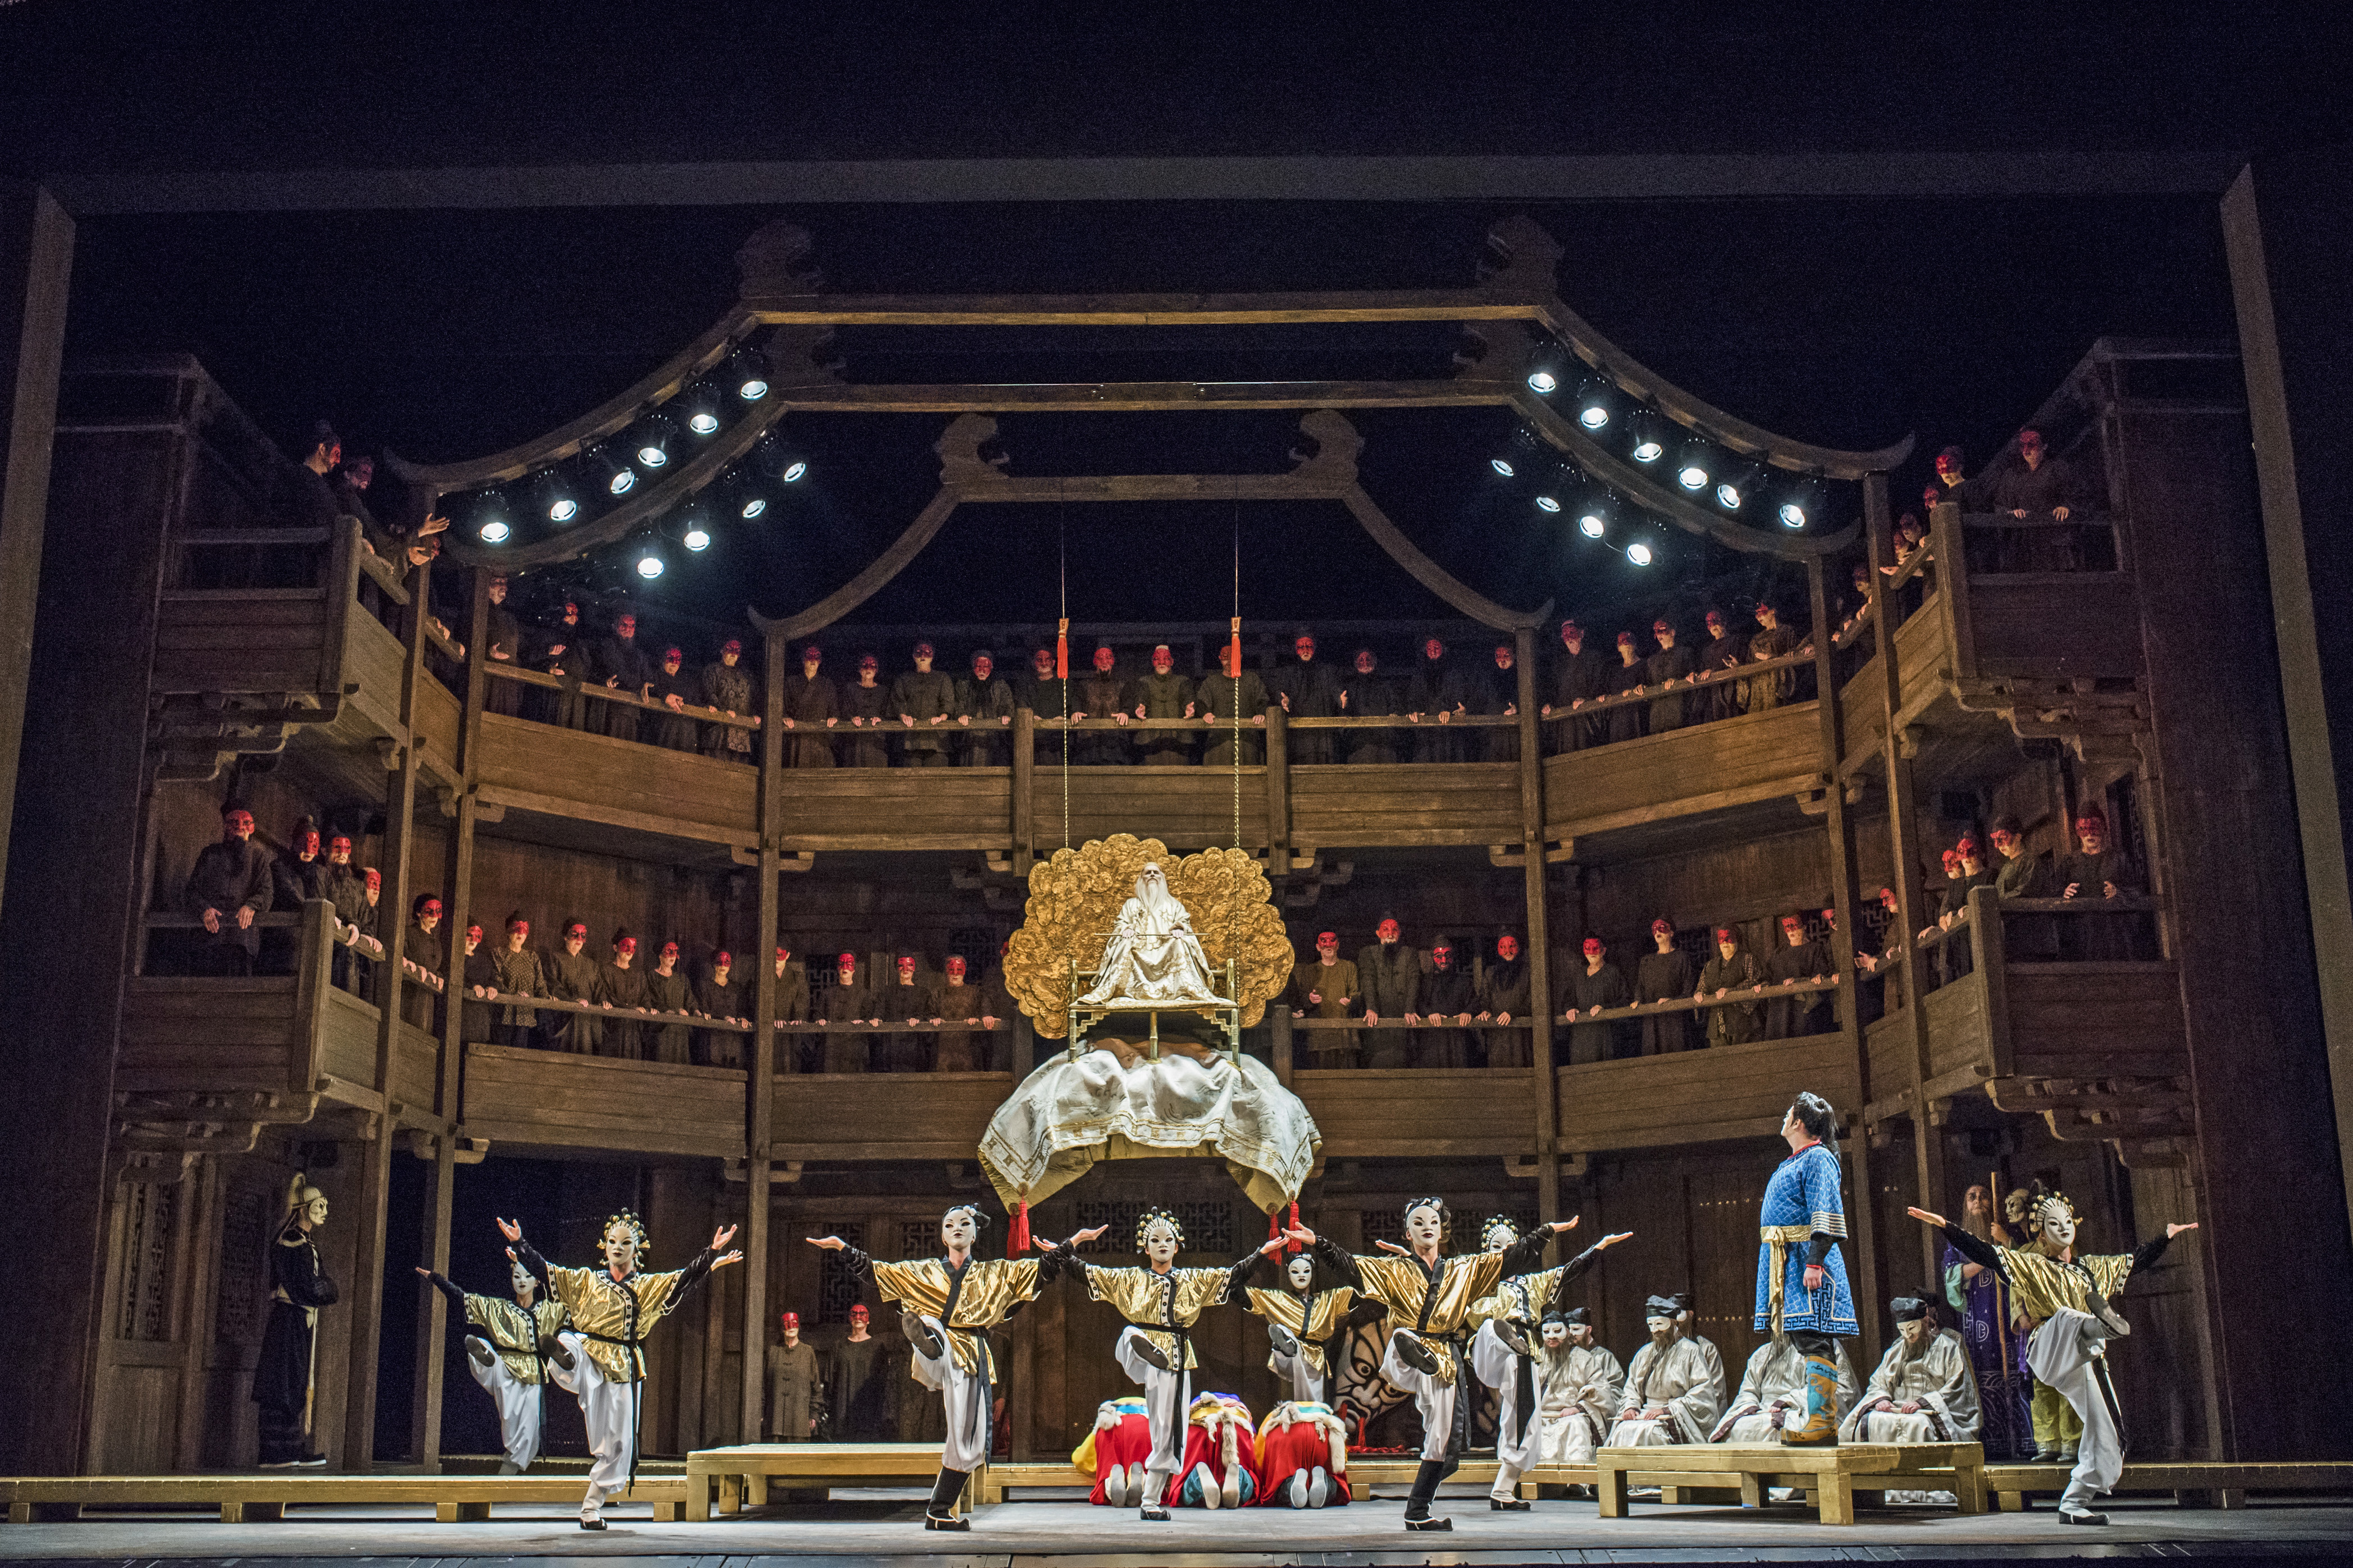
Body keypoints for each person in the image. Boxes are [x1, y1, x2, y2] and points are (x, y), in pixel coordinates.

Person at [1279, 1202, 1580, 1530]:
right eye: (1418, 1222)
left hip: (1443, 1361)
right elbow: (1353, 1267)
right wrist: (1318, 1243)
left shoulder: (1461, 1270)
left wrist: (1546, 1232)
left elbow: (1508, 1261)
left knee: (1442, 1439)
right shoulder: (1396, 1270)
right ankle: (1408, 1350)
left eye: (1433, 1222)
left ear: (1441, 1230)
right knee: (1402, 1340)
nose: (1427, 1227)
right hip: (1412, 1347)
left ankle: (1418, 1511)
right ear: (1408, 1233)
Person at [1910, 1187, 2195, 1525]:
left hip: (2082, 1358)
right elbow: (1986, 1253)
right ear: (2042, 1235)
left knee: (2112, 1435)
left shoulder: (2091, 1269)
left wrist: (2166, 1236)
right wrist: (1945, 1225)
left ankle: (2074, 1503)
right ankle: (2102, 1325)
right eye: (2052, 1224)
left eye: (2066, 1222)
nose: (2061, 1228)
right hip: (2048, 1345)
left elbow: (2136, 1260)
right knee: (2067, 1317)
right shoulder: (2034, 1265)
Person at [808, 1205, 1082, 1530]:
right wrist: (843, 1247)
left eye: (965, 1223)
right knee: (929, 1324)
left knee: (970, 1446)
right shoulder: (924, 1272)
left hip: (973, 1356)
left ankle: (938, 1510)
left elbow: (1040, 1272)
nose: (957, 1228)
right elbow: (878, 1271)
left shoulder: (992, 1273)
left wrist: (1072, 1243)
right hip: (940, 1347)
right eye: (950, 1224)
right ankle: (928, 1340)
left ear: (975, 1233)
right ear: (942, 1234)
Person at [503, 1210, 741, 1529]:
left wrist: (711, 1253)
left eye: (626, 1242)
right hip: (588, 1350)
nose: (618, 1247)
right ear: (605, 1246)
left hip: (621, 1366)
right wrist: (521, 1246)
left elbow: (682, 1280)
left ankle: (590, 1508)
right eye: (613, 1241)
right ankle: (564, 1358)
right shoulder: (587, 1280)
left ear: (637, 1248)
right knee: (569, 1342)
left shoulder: (644, 1286)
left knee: (618, 1446)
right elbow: (545, 1272)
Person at [1046, 1210, 1283, 1520]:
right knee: (1130, 1333)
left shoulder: (1192, 1281)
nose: (1162, 1245)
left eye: (1168, 1240)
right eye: (1154, 1240)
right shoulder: (1132, 1278)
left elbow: (1232, 1274)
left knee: (1168, 1432)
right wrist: (1063, 1251)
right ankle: (1136, 1345)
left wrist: (1261, 1254)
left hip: (1177, 1357)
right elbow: (1090, 1273)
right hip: (1147, 1351)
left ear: (1177, 1247)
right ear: (1146, 1249)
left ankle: (1150, 1502)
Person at [1469, 1217, 1632, 1508]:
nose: (1505, 1252)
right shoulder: (1478, 1281)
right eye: (1497, 1247)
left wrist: (1598, 1248)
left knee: (1524, 1425)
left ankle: (1503, 1492)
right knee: (1490, 1329)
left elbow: (1567, 1272)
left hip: (1523, 1355)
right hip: (1489, 1351)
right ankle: (1501, 1333)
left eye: (1511, 1246)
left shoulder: (1532, 1283)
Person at [1755, 1092, 1859, 1444]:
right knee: (1804, 1337)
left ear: (1799, 1122)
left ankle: (1822, 1422)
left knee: (1813, 1337)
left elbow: (1825, 1212)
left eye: (1788, 1114)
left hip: (1806, 1261)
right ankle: (1818, 1420)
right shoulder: (1793, 1162)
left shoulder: (1818, 1158)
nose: (1784, 1118)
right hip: (1786, 1259)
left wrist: (1814, 1262)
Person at [415, 1257, 572, 1473]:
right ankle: (483, 1355)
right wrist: (437, 1279)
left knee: (526, 1430)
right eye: (517, 1276)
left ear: (537, 1281)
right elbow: (463, 1298)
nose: (522, 1281)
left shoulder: (551, 1310)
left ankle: (564, 1351)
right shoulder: (500, 1308)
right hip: (504, 1369)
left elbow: (578, 1308)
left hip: (534, 1372)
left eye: (527, 1276)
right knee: (484, 1348)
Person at [252, 1176, 337, 1467]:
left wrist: (322, 1290)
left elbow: (327, 1288)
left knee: (297, 1382)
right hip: (288, 1321)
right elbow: (310, 1288)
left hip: (301, 1321)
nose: (324, 1211)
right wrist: (320, 1290)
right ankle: (275, 1451)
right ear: (303, 1209)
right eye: (318, 1205)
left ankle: (292, 1447)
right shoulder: (289, 1244)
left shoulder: (306, 1245)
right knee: (282, 1383)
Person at [1945, 1183, 2033, 1459]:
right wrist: (1989, 1258)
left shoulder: (2009, 1234)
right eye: (1972, 1197)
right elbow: (1952, 1278)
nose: (1978, 1201)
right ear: (1965, 1204)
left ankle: (2028, 1444)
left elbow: (2030, 1263)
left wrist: (2005, 1242)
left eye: (1984, 1196)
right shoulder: (1958, 1239)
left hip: (2011, 1318)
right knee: (1985, 1382)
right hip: (1979, 1322)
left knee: (2019, 1377)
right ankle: (1994, 1448)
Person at [1237, 1243, 1379, 1406]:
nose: (1301, 1275)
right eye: (1295, 1272)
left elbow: (1362, 1288)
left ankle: (1289, 1346)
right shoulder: (1276, 1299)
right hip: (1287, 1360)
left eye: (1306, 1271)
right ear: (1289, 1275)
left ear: (1312, 1273)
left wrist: (1374, 1269)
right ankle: (1285, 1345)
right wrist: (1261, 1253)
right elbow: (1236, 1290)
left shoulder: (1329, 1300)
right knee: (1284, 1333)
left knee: (1314, 1406)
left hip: (1315, 1358)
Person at [1841, 1297, 1980, 1448]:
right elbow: (1878, 1383)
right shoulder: (1894, 1352)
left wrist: (1922, 1403)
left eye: (1913, 1328)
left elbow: (1956, 1387)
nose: (1908, 1336)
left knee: (1918, 1424)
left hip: (1931, 1412)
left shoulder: (1948, 1348)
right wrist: (1882, 1400)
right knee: (1871, 1421)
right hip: (1896, 1409)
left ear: (1925, 1323)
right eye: (1902, 1330)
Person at [1079, 863, 1220, 1005]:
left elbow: (1184, 923)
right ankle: (1123, 991)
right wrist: (1126, 929)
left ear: (1162, 878)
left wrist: (1180, 929)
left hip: (1167, 951)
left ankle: (1183, 990)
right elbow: (1121, 924)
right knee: (1125, 942)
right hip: (1138, 950)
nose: (1152, 875)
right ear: (1141, 879)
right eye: (1148, 873)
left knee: (1180, 942)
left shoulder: (1174, 905)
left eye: (1156, 872)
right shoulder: (1131, 904)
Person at [1605, 1293, 1725, 1447]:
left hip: (1677, 1413)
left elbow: (1702, 1391)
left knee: (1651, 1432)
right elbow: (1632, 1388)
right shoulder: (1644, 1353)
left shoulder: (1692, 1351)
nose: (1655, 1331)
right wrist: (1631, 1407)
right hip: (1646, 1412)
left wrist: (1668, 1410)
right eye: (1651, 1325)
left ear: (1673, 1322)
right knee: (1624, 1431)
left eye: (1660, 1324)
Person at [1711, 1333, 1860, 1442]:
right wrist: (1750, 1408)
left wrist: (1789, 1401)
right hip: (1762, 1411)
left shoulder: (1823, 1347)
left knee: (1774, 1427)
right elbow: (1748, 1392)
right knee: (1741, 1426)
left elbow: (1840, 1390)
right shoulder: (1762, 1354)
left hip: (1799, 1411)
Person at [1527, 1308, 1623, 1476]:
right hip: (1541, 1416)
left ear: (1567, 1333)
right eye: (1547, 1332)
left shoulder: (1585, 1359)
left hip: (1571, 1415)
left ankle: (1577, 1479)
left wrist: (1578, 1408)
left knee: (1576, 1425)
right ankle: (1533, 1478)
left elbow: (1601, 1390)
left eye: (1557, 1332)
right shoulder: (1537, 1358)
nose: (1552, 1337)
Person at [188, 804, 274, 976]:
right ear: (226, 826)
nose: (240, 827)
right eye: (234, 822)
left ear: (252, 828)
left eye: (246, 823)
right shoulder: (211, 854)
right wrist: (204, 909)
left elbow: (266, 892)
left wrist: (251, 906)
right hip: (210, 937)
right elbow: (192, 890)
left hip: (241, 940)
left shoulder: (258, 856)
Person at [2059, 806, 2145, 959]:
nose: (2090, 834)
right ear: (2078, 832)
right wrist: (2063, 893)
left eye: (2095, 828)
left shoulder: (2119, 858)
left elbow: (2137, 889)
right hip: (2082, 934)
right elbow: (2053, 889)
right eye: (2084, 829)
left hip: (2115, 934)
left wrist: (2119, 892)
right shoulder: (2069, 862)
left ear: (2104, 829)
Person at [1255, 1399, 1351, 1508]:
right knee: (1336, 1483)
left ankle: (1291, 1486)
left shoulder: (1275, 1415)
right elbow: (1342, 1457)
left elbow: (1259, 1453)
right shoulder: (1329, 1415)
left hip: (1286, 1432)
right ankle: (1325, 1483)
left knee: (1277, 1486)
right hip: (1321, 1432)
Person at [1357, 917, 1419, 1070]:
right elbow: (1368, 979)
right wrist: (1371, 1008)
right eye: (1386, 929)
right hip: (1378, 1020)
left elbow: (1414, 980)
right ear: (1378, 933)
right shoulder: (1369, 953)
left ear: (1400, 934)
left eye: (1395, 929)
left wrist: (1409, 1009)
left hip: (1402, 1019)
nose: (1390, 933)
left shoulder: (1409, 954)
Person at [1542, 618, 1612, 752]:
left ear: (1581, 634)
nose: (1569, 638)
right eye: (1565, 634)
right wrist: (1549, 704)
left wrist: (1586, 699)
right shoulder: (1560, 664)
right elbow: (1553, 689)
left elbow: (1600, 682)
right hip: (1566, 721)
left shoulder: (1594, 658)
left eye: (1572, 633)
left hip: (1586, 718)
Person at [1291, 931, 1358, 1068]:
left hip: (1343, 1032)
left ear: (1338, 945)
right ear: (1318, 946)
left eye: (1332, 941)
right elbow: (1302, 997)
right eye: (1324, 941)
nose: (1328, 944)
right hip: (1319, 1034)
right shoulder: (1310, 970)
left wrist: (1351, 1001)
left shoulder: (1349, 967)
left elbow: (1356, 993)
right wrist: (1310, 999)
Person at [826, 1303, 892, 1439]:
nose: (858, 1317)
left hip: (869, 1413)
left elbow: (883, 1383)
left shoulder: (878, 1347)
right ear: (850, 1318)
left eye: (862, 1314)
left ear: (868, 1319)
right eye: (854, 1314)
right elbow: (830, 1380)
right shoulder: (839, 1346)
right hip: (842, 1411)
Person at [1196, 644, 1269, 767]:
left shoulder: (1252, 680)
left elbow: (1263, 700)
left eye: (1233, 658)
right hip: (1219, 743)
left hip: (1247, 742)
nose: (1229, 662)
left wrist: (1261, 713)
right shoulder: (1211, 682)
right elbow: (1201, 702)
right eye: (1225, 658)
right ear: (1220, 658)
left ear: (1240, 657)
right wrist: (1205, 713)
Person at [1561, 935, 1630, 1064]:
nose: (1592, 952)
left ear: (1604, 951)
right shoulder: (1579, 975)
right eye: (1588, 948)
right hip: (1581, 1035)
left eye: (1595, 948)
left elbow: (1625, 1000)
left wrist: (1604, 1007)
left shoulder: (1613, 973)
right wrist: (1570, 1009)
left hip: (1605, 1034)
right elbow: (1568, 999)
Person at [1276, 631, 1343, 764]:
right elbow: (1283, 694)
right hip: (1300, 734)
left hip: (1324, 734)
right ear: (1296, 651)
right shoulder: (1290, 673)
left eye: (1309, 646)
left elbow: (1336, 690)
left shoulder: (1327, 671)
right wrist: (1285, 702)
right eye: (1301, 647)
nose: (1305, 650)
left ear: (1315, 649)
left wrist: (1340, 698)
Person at [1762, 914, 1831, 1039]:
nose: (1791, 931)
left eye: (1794, 926)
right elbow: (1768, 974)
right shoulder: (1779, 952)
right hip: (1780, 1007)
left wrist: (1801, 981)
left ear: (1803, 927)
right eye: (1788, 928)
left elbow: (1821, 973)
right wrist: (1764, 984)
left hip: (1801, 1005)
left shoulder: (1814, 949)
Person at [1634, 918, 1695, 1055]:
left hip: (1675, 1020)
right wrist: (1637, 1000)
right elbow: (1640, 986)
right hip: (1652, 1020)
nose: (1658, 931)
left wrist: (1673, 1001)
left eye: (1662, 928)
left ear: (1671, 933)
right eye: (1655, 929)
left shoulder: (1681, 957)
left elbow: (1689, 989)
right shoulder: (1647, 961)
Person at [1695, 925, 1763, 1048]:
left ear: (1737, 940)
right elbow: (1702, 987)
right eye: (1722, 939)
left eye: (1729, 938)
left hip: (1743, 1024)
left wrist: (1731, 991)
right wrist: (1699, 993)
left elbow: (1755, 981)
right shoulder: (1710, 965)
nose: (1725, 942)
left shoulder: (1747, 959)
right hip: (1717, 1025)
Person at [1405, 636, 1471, 762]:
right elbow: (1412, 699)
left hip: (1449, 734)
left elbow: (1459, 698)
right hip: (1426, 734)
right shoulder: (1419, 675)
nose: (1433, 651)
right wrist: (1414, 711)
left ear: (1443, 650)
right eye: (1429, 648)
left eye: (1436, 648)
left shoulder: (1453, 673)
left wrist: (1450, 710)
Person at [541, 920, 603, 1054]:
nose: (579, 939)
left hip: (586, 1021)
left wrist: (604, 1002)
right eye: (575, 934)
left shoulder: (591, 965)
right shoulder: (555, 959)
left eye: (583, 935)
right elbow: (552, 985)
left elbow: (599, 991)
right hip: (565, 1020)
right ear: (566, 937)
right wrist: (572, 1001)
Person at [892, 641, 957, 767]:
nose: (923, 656)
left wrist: (942, 717)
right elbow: (898, 701)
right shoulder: (904, 679)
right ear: (913, 656)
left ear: (933, 656)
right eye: (919, 652)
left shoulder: (942, 678)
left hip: (936, 740)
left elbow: (948, 701)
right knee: (911, 780)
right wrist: (903, 716)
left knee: (936, 781)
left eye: (927, 653)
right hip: (910, 740)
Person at [1418, 934, 1478, 1068]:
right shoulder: (1425, 981)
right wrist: (1429, 1013)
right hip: (1433, 1038)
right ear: (1433, 958)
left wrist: (1468, 1012)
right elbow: (1419, 1003)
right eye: (1439, 956)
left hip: (1458, 1038)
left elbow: (1475, 1001)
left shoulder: (1464, 981)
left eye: (1448, 955)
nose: (1444, 960)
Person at [1130, 644, 1196, 765]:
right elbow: (1141, 698)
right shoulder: (1144, 682)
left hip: (1178, 739)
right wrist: (1141, 708)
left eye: (1165, 659)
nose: (1162, 663)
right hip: (1151, 739)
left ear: (1172, 662)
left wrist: (1189, 708)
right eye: (1157, 659)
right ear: (1153, 662)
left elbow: (1188, 697)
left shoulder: (1183, 681)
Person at [595, 612, 654, 743]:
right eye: (624, 625)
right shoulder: (608, 645)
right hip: (610, 709)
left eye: (632, 626)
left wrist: (645, 685)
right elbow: (618, 671)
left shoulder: (639, 655)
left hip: (632, 711)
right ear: (615, 626)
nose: (628, 629)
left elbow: (650, 679)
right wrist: (640, 685)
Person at [779, 643, 840, 767]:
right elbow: (782, 707)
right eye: (809, 657)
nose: (813, 661)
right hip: (797, 739)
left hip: (819, 738)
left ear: (820, 662)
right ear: (803, 660)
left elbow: (835, 711)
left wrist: (834, 717)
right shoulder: (791, 683)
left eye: (816, 658)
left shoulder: (827, 685)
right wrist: (785, 717)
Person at [931, 955, 995, 1072]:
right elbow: (930, 1013)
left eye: (959, 970)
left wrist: (979, 1018)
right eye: (952, 970)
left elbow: (984, 1007)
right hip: (944, 1050)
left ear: (964, 971)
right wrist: (934, 1020)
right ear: (946, 971)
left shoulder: (975, 992)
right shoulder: (938, 993)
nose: (955, 974)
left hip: (968, 1049)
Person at [1475, 934, 1531, 1068]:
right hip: (1497, 1034)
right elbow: (1484, 998)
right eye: (1503, 947)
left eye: (1512, 946)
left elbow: (1532, 1000)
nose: (1508, 951)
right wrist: (1485, 1011)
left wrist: (1513, 1013)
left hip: (1521, 1035)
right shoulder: (1490, 973)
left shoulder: (1528, 972)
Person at [595, 930, 651, 1060]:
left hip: (633, 1031)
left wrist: (648, 1009)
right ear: (615, 947)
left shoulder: (639, 976)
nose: (630, 951)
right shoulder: (606, 971)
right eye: (626, 946)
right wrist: (630, 1009)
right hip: (613, 1029)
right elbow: (607, 996)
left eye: (633, 947)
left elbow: (645, 999)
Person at [492, 913, 543, 1050]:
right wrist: (511, 996)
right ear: (508, 932)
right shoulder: (499, 953)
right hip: (504, 1014)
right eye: (516, 928)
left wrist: (547, 998)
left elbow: (540, 985)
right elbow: (496, 979)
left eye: (524, 929)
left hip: (525, 1015)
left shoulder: (532, 957)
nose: (520, 933)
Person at [816, 951, 874, 1073]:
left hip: (854, 1046)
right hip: (831, 1048)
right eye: (842, 964)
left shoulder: (864, 994)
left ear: (854, 969)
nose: (845, 968)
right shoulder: (827, 994)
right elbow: (818, 1014)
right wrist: (820, 1020)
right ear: (838, 968)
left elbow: (869, 1016)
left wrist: (863, 1022)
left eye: (849, 964)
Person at [955, 650, 1016, 766]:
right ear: (973, 667)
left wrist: (1007, 715)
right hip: (972, 739)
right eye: (978, 666)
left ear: (991, 667)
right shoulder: (964, 685)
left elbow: (1008, 704)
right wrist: (961, 714)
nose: (982, 670)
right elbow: (959, 704)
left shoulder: (1000, 686)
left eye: (986, 666)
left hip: (995, 738)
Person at [768, 1310, 821, 1441]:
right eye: (787, 1323)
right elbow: (765, 1385)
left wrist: (814, 1414)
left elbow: (816, 1387)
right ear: (782, 1327)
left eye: (794, 1323)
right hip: (776, 1421)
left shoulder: (808, 1352)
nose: (791, 1327)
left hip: (800, 1421)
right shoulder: (773, 1352)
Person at [701, 638, 755, 762]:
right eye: (730, 649)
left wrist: (754, 714)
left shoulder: (746, 675)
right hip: (719, 732)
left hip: (740, 735)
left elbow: (753, 698)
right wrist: (723, 710)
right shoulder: (712, 670)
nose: (733, 653)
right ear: (722, 650)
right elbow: (709, 692)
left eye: (737, 651)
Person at [1075, 644, 1131, 765]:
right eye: (1100, 658)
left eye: (1108, 658)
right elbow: (1077, 703)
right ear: (1095, 661)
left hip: (1115, 743)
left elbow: (1128, 704)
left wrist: (1125, 713)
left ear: (1113, 661)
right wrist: (1075, 712)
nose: (1104, 662)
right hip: (1089, 744)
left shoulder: (1122, 685)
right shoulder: (1084, 685)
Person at [1339, 648, 1397, 763]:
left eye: (1368, 659)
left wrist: (1394, 717)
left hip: (1384, 744)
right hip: (1359, 745)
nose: (1365, 663)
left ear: (1375, 662)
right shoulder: (1350, 688)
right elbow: (1344, 714)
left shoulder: (1385, 686)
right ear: (1356, 664)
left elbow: (1394, 707)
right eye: (1361, 660)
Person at [693, 949, 747, 1068]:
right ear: (713, 964)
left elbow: (742, 1009)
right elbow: (704, 1009)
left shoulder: (737, 988)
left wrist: (743, 1018)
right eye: (719, 962)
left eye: (727, 962)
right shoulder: (705, 986)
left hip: (733, 1040)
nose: (723, 965)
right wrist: (723, 1017)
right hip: (713, 1040)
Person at [1745, 603, 1802, 712]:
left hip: (1778, 685)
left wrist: (1773, 658)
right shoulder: (1756, 640)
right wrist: (1737, 666)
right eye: (1756, 614)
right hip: (1760, 689)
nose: (1758, 617)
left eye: (1761, 612)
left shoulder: (1786, 631)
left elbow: (1793, 656)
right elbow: (1749, 664)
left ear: (1773, 611)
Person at [1644, 618, 1698, 733]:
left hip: (1679, 713)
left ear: (1672, 632)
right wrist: (1642, 687)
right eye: (1657, 632)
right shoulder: (1652, 661)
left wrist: (1678, 681)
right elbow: (1649, 684)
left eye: (1662, 631)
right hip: (1658, 717)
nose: (1659, 635)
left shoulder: (1685, 653)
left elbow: (1692, 674)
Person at [644, 940, 693, 1064]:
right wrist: (672, 1011)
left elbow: (690, 1000)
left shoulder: (682, 979)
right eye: (669, 952)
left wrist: (696, 1012)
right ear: (660, 956)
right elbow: (653, 999)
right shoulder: (652, 976)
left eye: (675, 952)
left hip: (680, 1031)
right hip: (662, 1030)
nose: (672, 956)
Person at [401, 893, 445, 1028]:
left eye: (438, 911)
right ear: (419, 912)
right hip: (409, 993)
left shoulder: (436, 943)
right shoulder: (408, 933)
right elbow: (404, 955)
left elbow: (435, 967)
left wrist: (438, 976)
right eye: (429, 911)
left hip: (426, 997)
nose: (434, 916)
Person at [1697, 609, 1748, 722]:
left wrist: (1737, 666)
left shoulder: (1736, 641)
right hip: (1714, 697)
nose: (1713, 625)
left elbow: (1744, 663)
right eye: (1710, 622)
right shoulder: (1707, 651)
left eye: (1716, 621)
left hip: (1734, 692)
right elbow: (1702, 671)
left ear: (1724, 622)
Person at [840, 654, 891, 767]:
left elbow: (888, 712)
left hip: (876, 739)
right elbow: (845, 710)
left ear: (876, 670)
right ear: (859, 669)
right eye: (865, 666)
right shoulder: (851, 688)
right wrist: (852, 718)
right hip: (855, 739)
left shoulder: (883, 691)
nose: (868, 669)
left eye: (872, 666)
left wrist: (880, 719)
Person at [884, 954, 931, 1072]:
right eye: (901, 965)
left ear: (914, 968)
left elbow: (928, 1014)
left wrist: (918, 1020)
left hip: (915, 1047)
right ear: (896, 968)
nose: (906, 969)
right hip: (892, 1048)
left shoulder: (924, 993)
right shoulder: (887, 992)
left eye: (909, 965)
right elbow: (880, 1013)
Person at [273, 816, 330, 910]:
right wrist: (312, 910)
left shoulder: (321, 873)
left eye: (314, 845)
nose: (308, 850)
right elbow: (289, 892)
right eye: (303, 844)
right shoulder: (280, 866)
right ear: (295, 844)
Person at [773, 945, 813, 1069]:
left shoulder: (797, 978)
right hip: (769, 1030)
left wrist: (799, 1017)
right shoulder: (762, 977)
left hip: (791, 1031)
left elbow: (803, 1000)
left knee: (791, 1065)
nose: (777, 958)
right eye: (774, 954)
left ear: (788, 955)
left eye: (781, 955)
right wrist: (771, 1018)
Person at [458, 922, 498, 1044]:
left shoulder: (484, 960)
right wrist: (473, 986)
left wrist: (492, 987)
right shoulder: (455, 958)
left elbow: (493, 978)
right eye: (469, 935)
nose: (473, 940)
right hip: (462, 1013)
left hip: (481, 1016)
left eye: (477, 936)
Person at [1607, 632, 1647, 742]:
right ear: (1618, 648)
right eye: (1622, 643)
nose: (1626, 645)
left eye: (1629, 642)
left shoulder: (1644, 665)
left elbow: (1648, 685)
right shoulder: (1615, 672)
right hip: (1618, 720)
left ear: (1635, 646)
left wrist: (1634, 692)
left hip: (1636, 716)